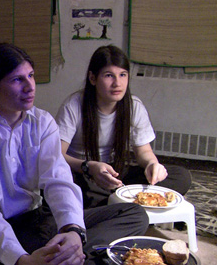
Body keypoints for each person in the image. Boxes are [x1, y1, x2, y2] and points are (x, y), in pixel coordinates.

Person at [0, 43, 148, 265]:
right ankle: (72, 258)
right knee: (41, 251)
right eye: (17, 80)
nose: (30, 87)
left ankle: (71, 254)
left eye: (31, 76)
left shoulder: (42, 123)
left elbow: (58, 180)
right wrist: (23, 261)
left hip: (37, 218)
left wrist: (74, 231)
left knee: (134, 215)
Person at [55, 45, 191, 208]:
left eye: (122, 75)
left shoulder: (134, 106)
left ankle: (113, 203)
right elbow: (57, 155)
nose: (117, 83)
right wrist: (89, 167)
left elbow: (144, 152)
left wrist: (152, 165)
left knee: (181, 176)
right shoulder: (73, 106)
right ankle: (120, 203)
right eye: (108, 75)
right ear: (93, 78)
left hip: (114, 172)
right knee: (65, 184)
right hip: (82, 171)